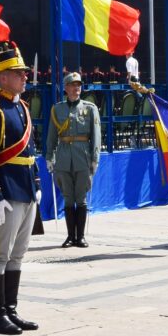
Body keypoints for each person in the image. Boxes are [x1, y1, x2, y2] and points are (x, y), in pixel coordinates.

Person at [0, 41, 41, 334]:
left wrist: (37, 182)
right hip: (7, 191)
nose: (24, 76)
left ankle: (11, 309)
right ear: (2, 77)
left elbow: (31, 149)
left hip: (26, 189)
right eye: (18, 73)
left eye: (24, 72)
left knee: (17, 254)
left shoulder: (23, 108)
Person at [46, 73, 99, 248]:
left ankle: (81, 236)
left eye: (79, 85)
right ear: (66, 88)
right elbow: (52, 136)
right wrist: (49, 157)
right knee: (68, 198)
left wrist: (95, 158)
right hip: (63, 157)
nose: (76, 88)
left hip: (82, 156)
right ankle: (70, 236)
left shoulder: (90, 108)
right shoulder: (57, 109)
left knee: (81, 197)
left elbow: (96, 136)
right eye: (72, 85)